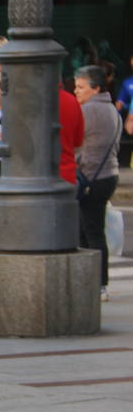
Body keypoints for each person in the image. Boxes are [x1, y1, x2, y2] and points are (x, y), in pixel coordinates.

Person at [74, 65, 122, 301]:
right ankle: (94, 282)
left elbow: (80, 147)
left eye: (81, 87)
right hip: (108, 175)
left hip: (92, 177)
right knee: (89, 229)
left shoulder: (88, 110)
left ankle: (98, 283)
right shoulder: (112, 109)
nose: (77, 91)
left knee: (90, 232)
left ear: (96, 88)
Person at [58, 83, 85, 185]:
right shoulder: (72, 101)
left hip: (31, 178)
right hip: (67, 174)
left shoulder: (24, 102)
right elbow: (78, 141)